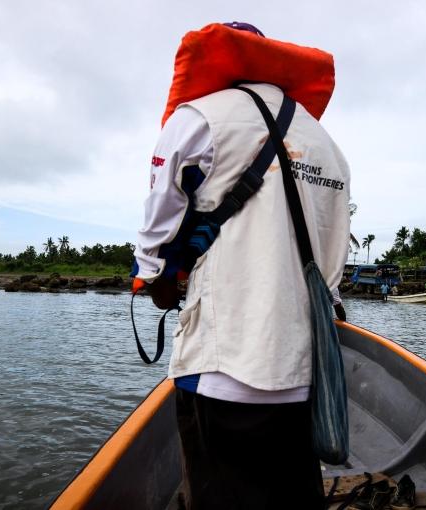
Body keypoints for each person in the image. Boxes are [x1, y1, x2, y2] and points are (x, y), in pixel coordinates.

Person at [133, 22, 350, 509]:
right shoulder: (329, 147)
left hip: (222, 369)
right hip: (306, 373)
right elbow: (333, 265)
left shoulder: (198, 118)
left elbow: (156, 234)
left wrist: (157, 285)